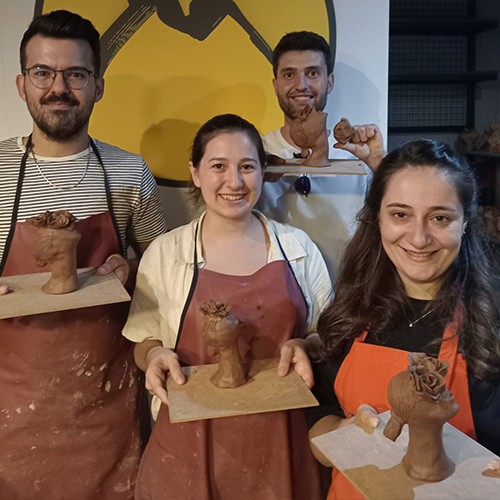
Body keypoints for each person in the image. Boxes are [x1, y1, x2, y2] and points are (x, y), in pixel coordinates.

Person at [0, 10, 167, 500]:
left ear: (98, 86)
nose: (59, 88)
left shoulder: (129, 172)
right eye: (43, 73)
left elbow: (167, 267)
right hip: (13, 404)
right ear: (21, 84)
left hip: (106, 404)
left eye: (76, 74)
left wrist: (131, 268)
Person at [122, 113, 332, 500]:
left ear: (263, 172)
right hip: (187, 446)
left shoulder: (299, 248)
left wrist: (308, 345)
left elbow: (326, 335)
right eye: (218, 166)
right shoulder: (165, 253)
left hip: (283, 444)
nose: (234, 182)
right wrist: (153, 355)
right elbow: (143, 339)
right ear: (196, 173)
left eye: (247, 167)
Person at [306, 139, 500, 499]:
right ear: (378, 218)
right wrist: (344, 434)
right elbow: (320, 422)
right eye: (400, 215)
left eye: (440, 218)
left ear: (465, 221)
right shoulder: (352, 311)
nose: (419, 238)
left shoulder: (492, 324)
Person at [260, 31, 385, 280]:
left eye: (313, 73)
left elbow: (398, 218)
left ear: (329, 82)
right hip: (276, 296)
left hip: (348, 296)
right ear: (275, 85)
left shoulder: (358, 155)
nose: (301, 85)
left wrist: (379, 164)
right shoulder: (254, 155)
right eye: (289, 74)